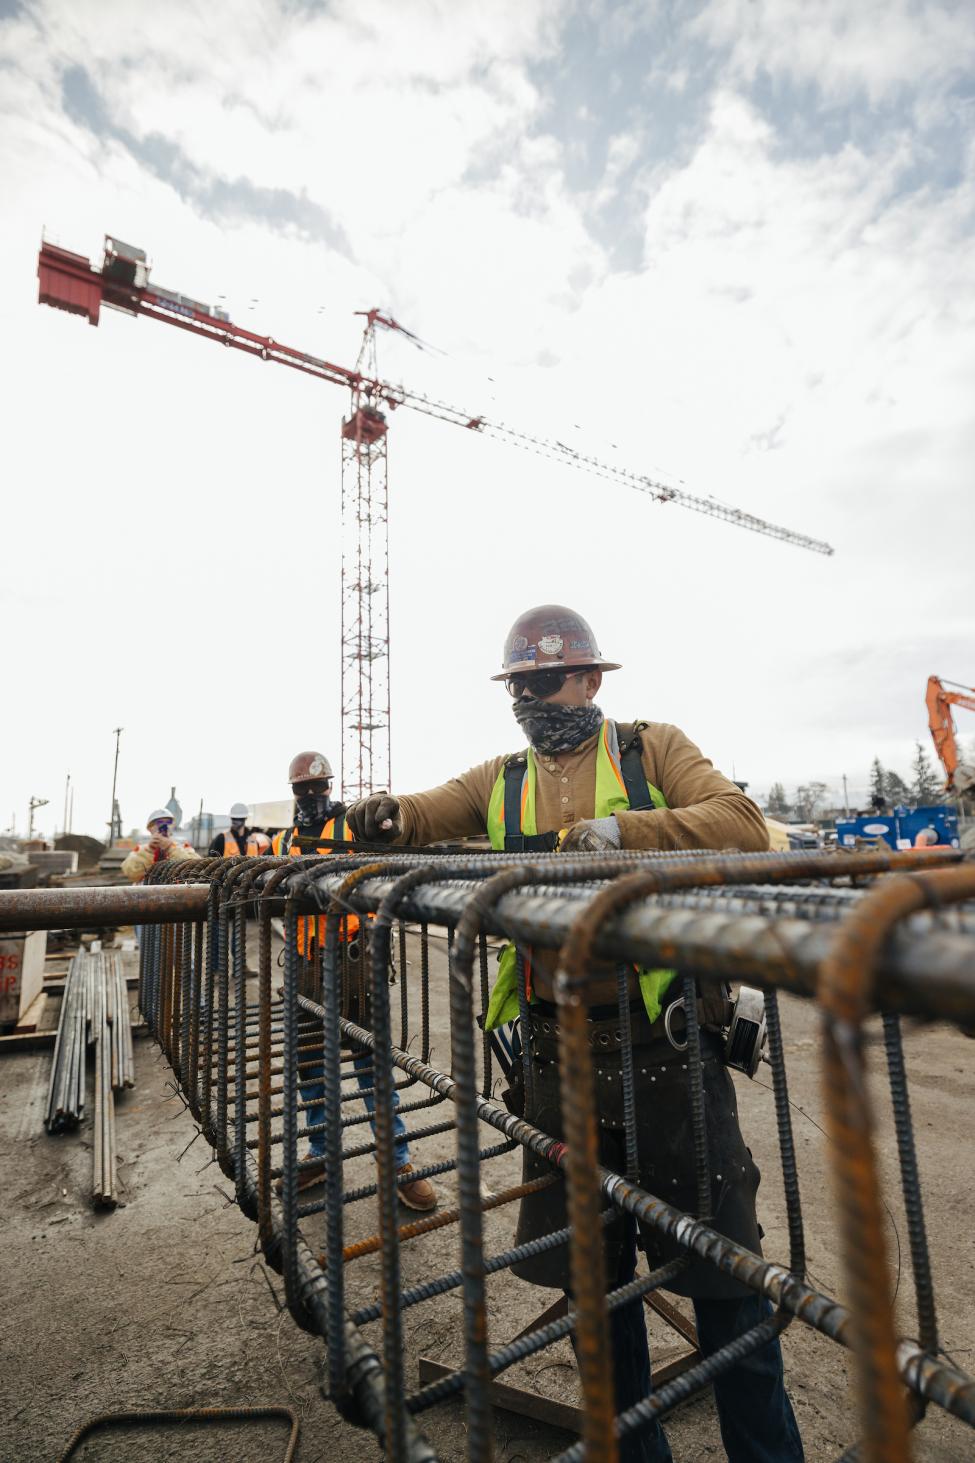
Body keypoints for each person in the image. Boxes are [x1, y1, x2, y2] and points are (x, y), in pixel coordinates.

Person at [346, 605, 803, 1463]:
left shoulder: (649, 749)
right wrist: (372, 816)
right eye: (518, 685)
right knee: (596, 1293)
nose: (531, 698)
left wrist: (622, 833)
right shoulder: (500, 779)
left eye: (546, 680)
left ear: (592, 679)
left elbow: (737, 820)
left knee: (721, 1277)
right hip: (559, 1064)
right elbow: (422, 812)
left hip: (665, 1051)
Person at [276, 750, 436, 1212]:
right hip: (304, 963)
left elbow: (384, 865)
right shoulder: (285, 838)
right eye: (302, 788)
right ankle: (322, 1153)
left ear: (331, 786)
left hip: (353, 959)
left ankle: (398, 1162)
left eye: (317, 786)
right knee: (309, 1064)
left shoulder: (351, 825)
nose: (310, 794)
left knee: (371, 1065)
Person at [122, 809, 201, 949]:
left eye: (168, 822)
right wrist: (149, 851)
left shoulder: (182, 847)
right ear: (150, 828)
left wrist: (171, 848)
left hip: (175, 905)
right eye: (159, 823)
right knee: (149, 951)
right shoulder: (141, 849)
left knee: (180, 950)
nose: (164, 826)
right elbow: (130, 871)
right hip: (145, 906)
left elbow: (196, 868)